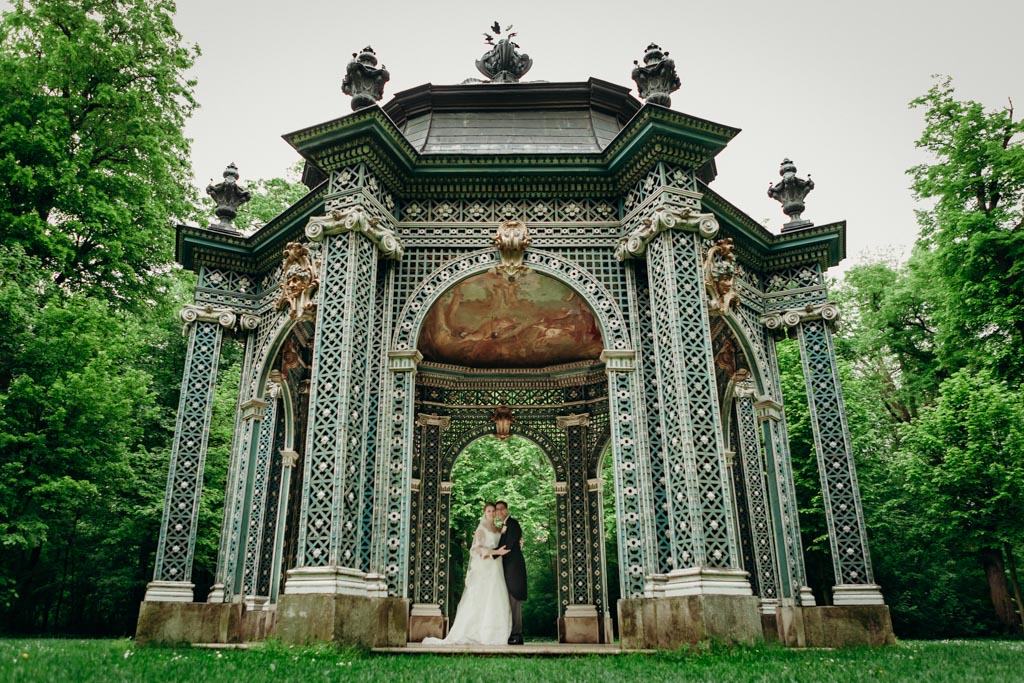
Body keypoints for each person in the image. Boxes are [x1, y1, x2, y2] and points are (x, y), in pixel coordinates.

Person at [423, 502, 511, 645]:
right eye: (488, 511)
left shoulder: (499, 529)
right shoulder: (481, 530)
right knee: (482, 598)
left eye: (493, 511)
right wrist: (496, 552)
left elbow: (507, 541)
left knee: (496, 597)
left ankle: (494, 633)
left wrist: (518, 541)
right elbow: (477, 550)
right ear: (484, 513)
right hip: (485, 568)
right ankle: (478, 633)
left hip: (497, 568)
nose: (491, 513)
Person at [494, 500, 527, 644]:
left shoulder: (513, 524)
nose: (499, 511)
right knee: (506, 601)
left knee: (514, 600)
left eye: (502, 509)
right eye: (497, 509)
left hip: (514, 568)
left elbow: (508, 546)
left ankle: (517, 635)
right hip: (506, 568)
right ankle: (509, 632)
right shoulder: (503, 526)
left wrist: (491, 554)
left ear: (507, 510)